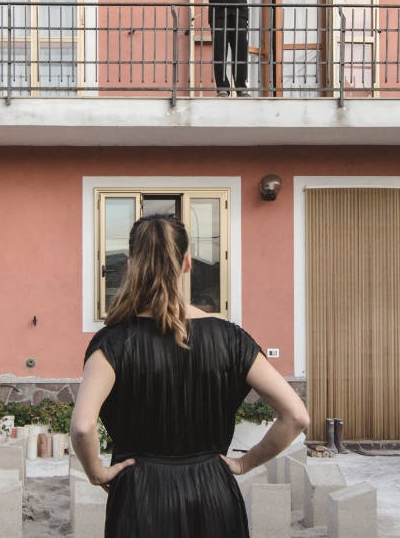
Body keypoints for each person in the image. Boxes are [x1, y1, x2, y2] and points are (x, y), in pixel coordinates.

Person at [70, 214, 310, 536]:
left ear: (130, 265)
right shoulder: (230, 337)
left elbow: (83, 428)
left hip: (140, 498)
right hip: (215, 495)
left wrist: (97, 473)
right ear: (186, 263)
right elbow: (296, 416)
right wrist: (242, 464)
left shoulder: (112, 342)